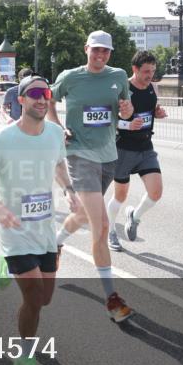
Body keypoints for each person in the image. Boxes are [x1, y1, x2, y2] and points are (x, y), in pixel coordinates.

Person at [0, 75, 77, 365]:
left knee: (45, 298)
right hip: (15, 230)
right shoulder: (2, 140)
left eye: (46, 93)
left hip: (44, 228)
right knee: (33, 295)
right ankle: (25, 357)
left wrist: (69, 190)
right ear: (20, 100)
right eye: (34, 93)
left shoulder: (55, 133)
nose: (42, 98)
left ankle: (6, 264)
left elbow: (58, 164)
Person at [47, 30, 135, 323]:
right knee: (102, 225)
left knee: (84, 215)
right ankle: (112, 299)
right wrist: (58, 126)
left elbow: (126, 109)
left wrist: (127, 109)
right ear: (86, 49)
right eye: (96, 49)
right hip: (79, 155)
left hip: (108, 156)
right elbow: (49, 99)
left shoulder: (118, 76)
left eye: (105, 51)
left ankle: (55, 243)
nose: (100, 55)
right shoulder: (70, 77)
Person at [109, 50, 167, 248]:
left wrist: (157, 113)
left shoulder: (153, 87)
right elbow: (109, 119)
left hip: (145, 147)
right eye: (146, 71)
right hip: (123, 148)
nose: (150, 75)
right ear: (134, 69)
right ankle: (111, 232)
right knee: (120, 196)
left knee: (156, 192)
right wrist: (127, 125)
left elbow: (149, 110)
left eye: (153, 71)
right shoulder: (123, 88)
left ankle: (134, 216)